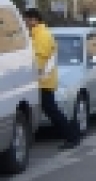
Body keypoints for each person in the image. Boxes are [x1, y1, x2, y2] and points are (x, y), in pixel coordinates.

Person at [23, 8, 80, 150]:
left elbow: (39, 59)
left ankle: (72, 136)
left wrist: (27, 73)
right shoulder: (37, 34)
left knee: (51, 110)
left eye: (27, 20)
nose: (25, 23)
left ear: (34, 20)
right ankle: (73, 133)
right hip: (42, 80)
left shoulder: (42, 35)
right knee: (50, 110)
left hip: (43, 81)